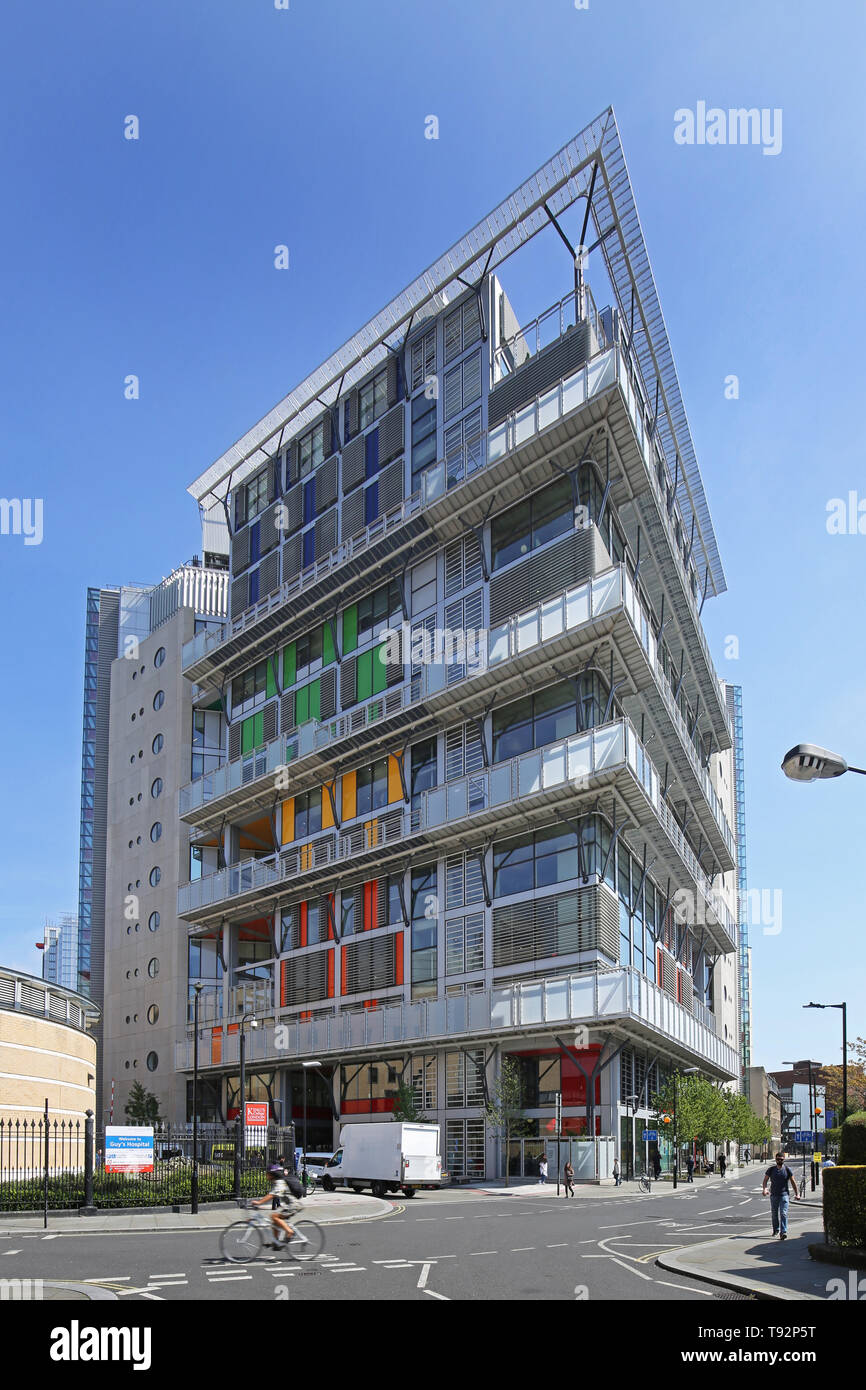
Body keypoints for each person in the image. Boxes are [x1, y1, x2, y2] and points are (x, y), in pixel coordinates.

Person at [252, 1162, 304, 1248]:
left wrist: (259, 1202)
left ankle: (289, 1232)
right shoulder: (277, 1182)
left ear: (272, 1174)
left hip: (293, 1205)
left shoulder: (280, 1182)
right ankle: (276, 1242)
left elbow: (272, 1195)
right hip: (290, 1204)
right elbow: (273, 1194)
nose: (266, 1175)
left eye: (267, 1173)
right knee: (274, 1221)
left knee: (274, 1216)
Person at [762, 1152, 799, 1240]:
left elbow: (793, 1182)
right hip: (774, 1195)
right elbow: (765, 1181)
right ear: (775, 1159)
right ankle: (776, 1229)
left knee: (783, 1213)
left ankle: (783, 1232)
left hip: (784, 1195)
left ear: (784, 1159)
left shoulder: (787, 1170)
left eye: (781, 1159)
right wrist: (765, 1189)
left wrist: (797, 1193)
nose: (779, 1161)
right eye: (778, 1159)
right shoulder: (771, 1170)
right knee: (774, 1214)